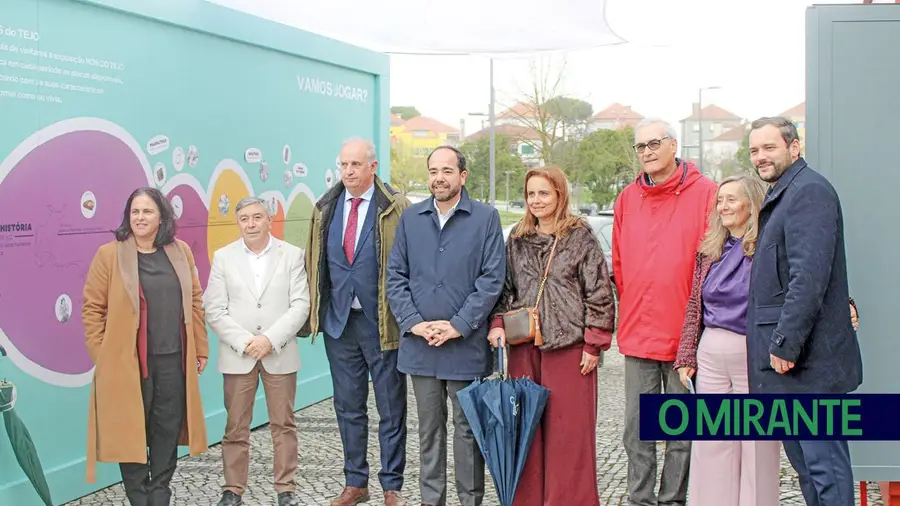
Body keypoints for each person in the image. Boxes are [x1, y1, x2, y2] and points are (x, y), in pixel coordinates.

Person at [746, 116, 863, 506]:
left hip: (808, 365)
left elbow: (808, 277)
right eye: (754, 150)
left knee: (825, 471)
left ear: (794, 147)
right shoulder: (786, 193)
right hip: (794, 369)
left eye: (769, 147)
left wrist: (784, 344)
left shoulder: (809, 191)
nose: (760, 157)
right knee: (809, 472)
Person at [487, 166, 616, 506]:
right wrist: (497, 323)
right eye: (531, 194)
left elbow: (600, 293)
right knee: (526, 433)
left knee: (568, 436)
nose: (536, 200)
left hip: (569, 348)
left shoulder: (580, 236)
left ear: (560, 195)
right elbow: (504, 289)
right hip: (524, 346)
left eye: (544, 193)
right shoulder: (517, 238)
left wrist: (594, 343)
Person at [387, 145, 506, 506]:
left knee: (467, 431)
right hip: (421, 346)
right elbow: (395, 276)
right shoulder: (411, 218)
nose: (439, 178)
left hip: (464, 347)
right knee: (429, 432)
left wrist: (459, 325)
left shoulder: (485, 218)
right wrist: (414, 323)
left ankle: (470, 500)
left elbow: (492, 279)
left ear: (462, 176)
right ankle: (431, 500)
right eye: (433, 171)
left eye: (447, 171)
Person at [612, 118, 717, 506]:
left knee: (681, 430)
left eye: (654, 143)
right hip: (639, 331)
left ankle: (673, 500)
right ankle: (640, 499)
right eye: (640, 146)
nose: (647, 152)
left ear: (674, 145)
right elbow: (619, 264)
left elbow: (715, 259)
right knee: (637, 428)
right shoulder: (627, 199)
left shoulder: (706, 193)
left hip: (686, 336)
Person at [300, 138, 411, 506]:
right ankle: (355, 482)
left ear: (372, 167)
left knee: (391, 407)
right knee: (348, 407)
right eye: (344, 165)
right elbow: (314, 260)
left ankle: (391, 486)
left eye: (355, 165)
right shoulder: (326, 207)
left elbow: (411, 263)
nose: (348, 171)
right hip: (339, 323)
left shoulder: (395, 207)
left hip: (382, 323)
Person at [82, 187, 209, 505]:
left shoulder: (180, 251)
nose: (140, 218)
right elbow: (92, 309)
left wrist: (200, 347)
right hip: (127, 364)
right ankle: (139, 497)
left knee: (167, 430)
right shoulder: (109, 255)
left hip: (173, 361)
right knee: (130, 431)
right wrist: (103, 355)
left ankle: (160, 493)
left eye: (147, 211)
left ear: (162, 217)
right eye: (135, 211)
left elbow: (194, 301)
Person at [673, 174, 781, 506]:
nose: (723, 206)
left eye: (731, 199)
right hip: (711, 354)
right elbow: (695, 305)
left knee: (757, 442)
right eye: (720, 200)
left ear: (752, 204)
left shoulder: (769, 248)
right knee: (713, 441)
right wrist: (686, 355)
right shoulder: (709, 250)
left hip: (753, 354)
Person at [204, 196, 310, 506]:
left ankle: (286, 488)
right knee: (235, 426)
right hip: (239, 355)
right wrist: (246, 342)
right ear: (238, 223)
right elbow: (214, 309)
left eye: (257, 217)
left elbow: (300, 305)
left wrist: (270, 340)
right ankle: (232, 490)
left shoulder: (291, 255)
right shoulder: (223, 257)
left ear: (269, 220)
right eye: (244, 219)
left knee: (284, 424)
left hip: (280, 352)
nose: (251, 224)